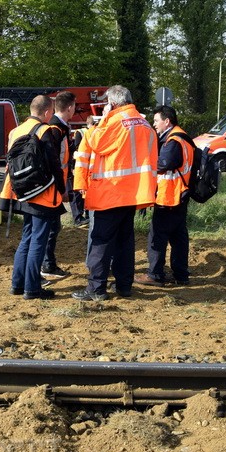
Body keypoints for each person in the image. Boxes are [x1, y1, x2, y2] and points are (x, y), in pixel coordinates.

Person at [71, 86, 158, 302]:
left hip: (111, 193)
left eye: (106, 103)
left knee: (101, 242)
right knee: (124, 242)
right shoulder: (144, 124)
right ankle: (124, 286)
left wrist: (96, 124)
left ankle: (96, 288)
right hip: (133, 194)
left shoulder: (117, 122)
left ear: (114, 103)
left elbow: (97, 143)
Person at [0, 95, 66, 300]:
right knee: (39, 240)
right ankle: (32, 288)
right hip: (43, 193)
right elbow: (54, 165)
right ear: (47, 112)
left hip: (20, 191)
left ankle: (17, 284)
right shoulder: (45, 131)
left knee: (27, 237)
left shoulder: (15, 131)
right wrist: (61, 189)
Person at [138, 105, 194, 287]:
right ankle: (181, 274)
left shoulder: (173, 140)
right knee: (178, 237)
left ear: (167, 121)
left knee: (157, 236)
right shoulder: (183, 137)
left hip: (169, 196)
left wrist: (144, 160)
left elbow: (163, 163)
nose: (154, 124)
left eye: (156, 121)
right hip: (180, 194)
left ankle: (155, 274)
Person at [41, 91, 76, 282]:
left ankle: (48, 263)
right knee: (51, 227)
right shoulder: (55, 129)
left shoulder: (59, 128)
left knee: (53, 226)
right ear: (70, 107)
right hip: (52, 186)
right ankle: (48, 264)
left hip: (55, 184)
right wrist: (61, 186)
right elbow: (54, 162)